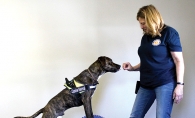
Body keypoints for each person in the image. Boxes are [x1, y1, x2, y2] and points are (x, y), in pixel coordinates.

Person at [122, 5, 184, 118]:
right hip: (146, 84)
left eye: (143, 23)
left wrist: (180, 85)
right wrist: (132, 68)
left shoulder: (170, 33)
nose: (141, 26)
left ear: (152, 20)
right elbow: (147, 61)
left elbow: (178, 60)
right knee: (135, 116)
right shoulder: (145, 38)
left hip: (164, 83)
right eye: (140, 23)